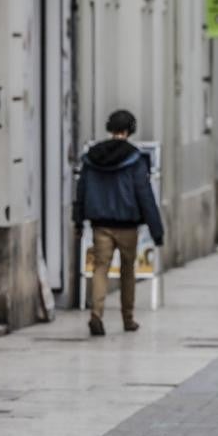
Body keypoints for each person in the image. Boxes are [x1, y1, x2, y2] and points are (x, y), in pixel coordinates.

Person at [73, 110, 165, 337]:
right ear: (129, 130)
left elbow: (81, 191)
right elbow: (144, 195)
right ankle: (128, 318)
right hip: (127, 226)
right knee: (127, 271)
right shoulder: (134, 158)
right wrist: (156, 230)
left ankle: (96, 314)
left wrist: (78, 221)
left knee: (100, 269)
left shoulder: (92, 157)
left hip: (100, 225)